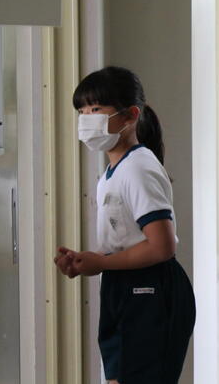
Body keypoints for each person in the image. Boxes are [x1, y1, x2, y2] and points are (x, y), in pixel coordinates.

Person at [54, 66, 195, 384]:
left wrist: (102, 262)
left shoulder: (138, 168)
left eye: (96, 109)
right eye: (82, 111)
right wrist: (88, 260)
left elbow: (161, 246)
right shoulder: (112, 172)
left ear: (130, 115)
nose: (86, 119)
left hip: (149, 290)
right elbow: (127, 239)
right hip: (123, 287)